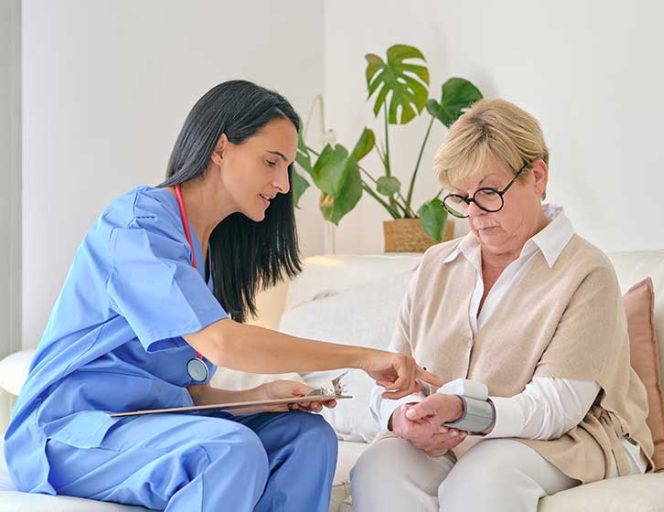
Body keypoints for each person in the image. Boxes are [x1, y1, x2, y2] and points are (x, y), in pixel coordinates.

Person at [4, 80, 440, 512]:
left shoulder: (210, 252)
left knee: (308, 438)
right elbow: (223, 344)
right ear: (220, 149)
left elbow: (188, 394)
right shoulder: (138, 227)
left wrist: (260, 396)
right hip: (69, 434)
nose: (284, 184)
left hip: (149, 428)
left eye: (287, 167)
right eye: (271, 162)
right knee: (228, 450)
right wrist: (362, 357)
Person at [351, 98, 654, 512]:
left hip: (568, 439)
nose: (475, 215)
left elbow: (557, 408)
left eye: (489, 193)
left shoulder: (585, 271)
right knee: (378, 465)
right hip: (461, 438)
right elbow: (388, 381)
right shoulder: (436, 265)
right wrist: (401, 417)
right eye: (461, 198)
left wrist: (465, 411)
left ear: (538, 176)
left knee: (482, 477)